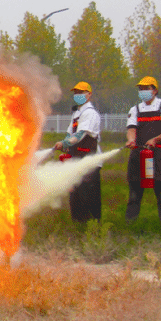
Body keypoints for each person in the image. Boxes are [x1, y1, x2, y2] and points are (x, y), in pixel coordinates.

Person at [125, 76, 161, 223]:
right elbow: (131, 129)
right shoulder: (135, 109)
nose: (143, 91)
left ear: (155, 90)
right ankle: (130, 225)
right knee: (134, 196)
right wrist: (131, 139)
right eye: (140, 89)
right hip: (138, 156)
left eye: (146, 88)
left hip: (159, 156)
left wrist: (155, 139)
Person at [53, 81, 102, 222]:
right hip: (76, 158)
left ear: (89, 94)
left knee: (88, 194)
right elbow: (70, 134)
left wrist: (65, 143)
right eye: (76, 92)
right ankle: (78, 224)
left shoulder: (90, 113)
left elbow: (80, 135)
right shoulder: (77, 114)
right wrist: (65, 144)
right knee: (75, 194)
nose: (77, 95)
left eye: (81, 92)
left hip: (89, 160)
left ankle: (93, 225)